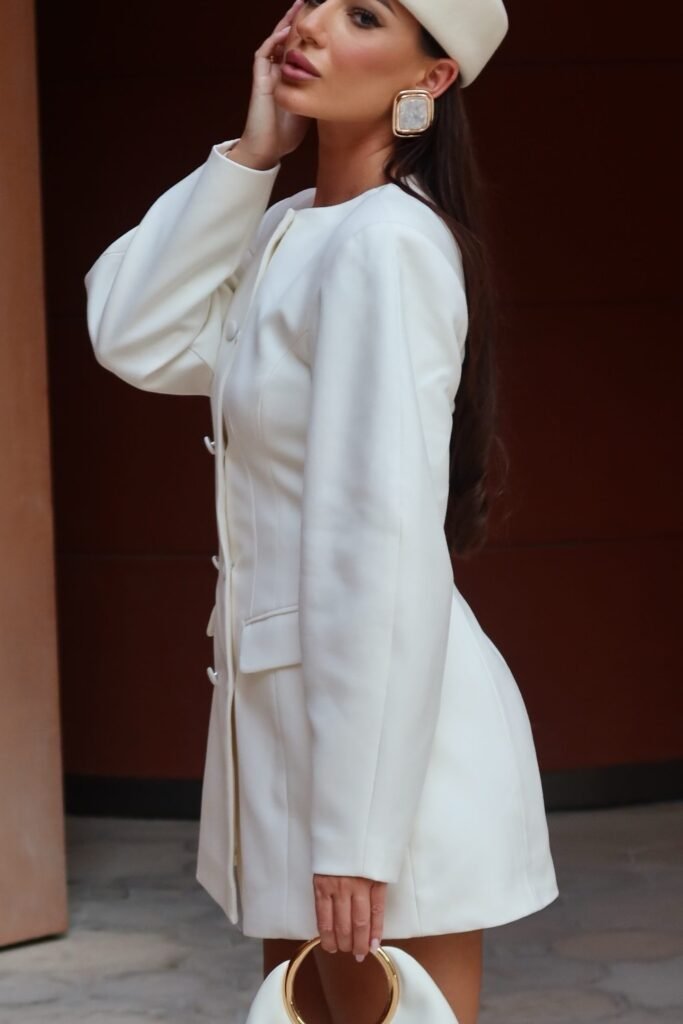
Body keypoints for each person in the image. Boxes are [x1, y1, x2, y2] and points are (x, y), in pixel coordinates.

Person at [84, 1, 559, 1020]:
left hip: (378, 755)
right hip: (297, 739)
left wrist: (353, 833)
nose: (311, 27)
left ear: (429, 78)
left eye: (364, 15)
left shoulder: (385, 245)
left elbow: (375, 542)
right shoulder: (285, 229)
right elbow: (130, 330)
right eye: (318, 1)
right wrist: (250, 159)